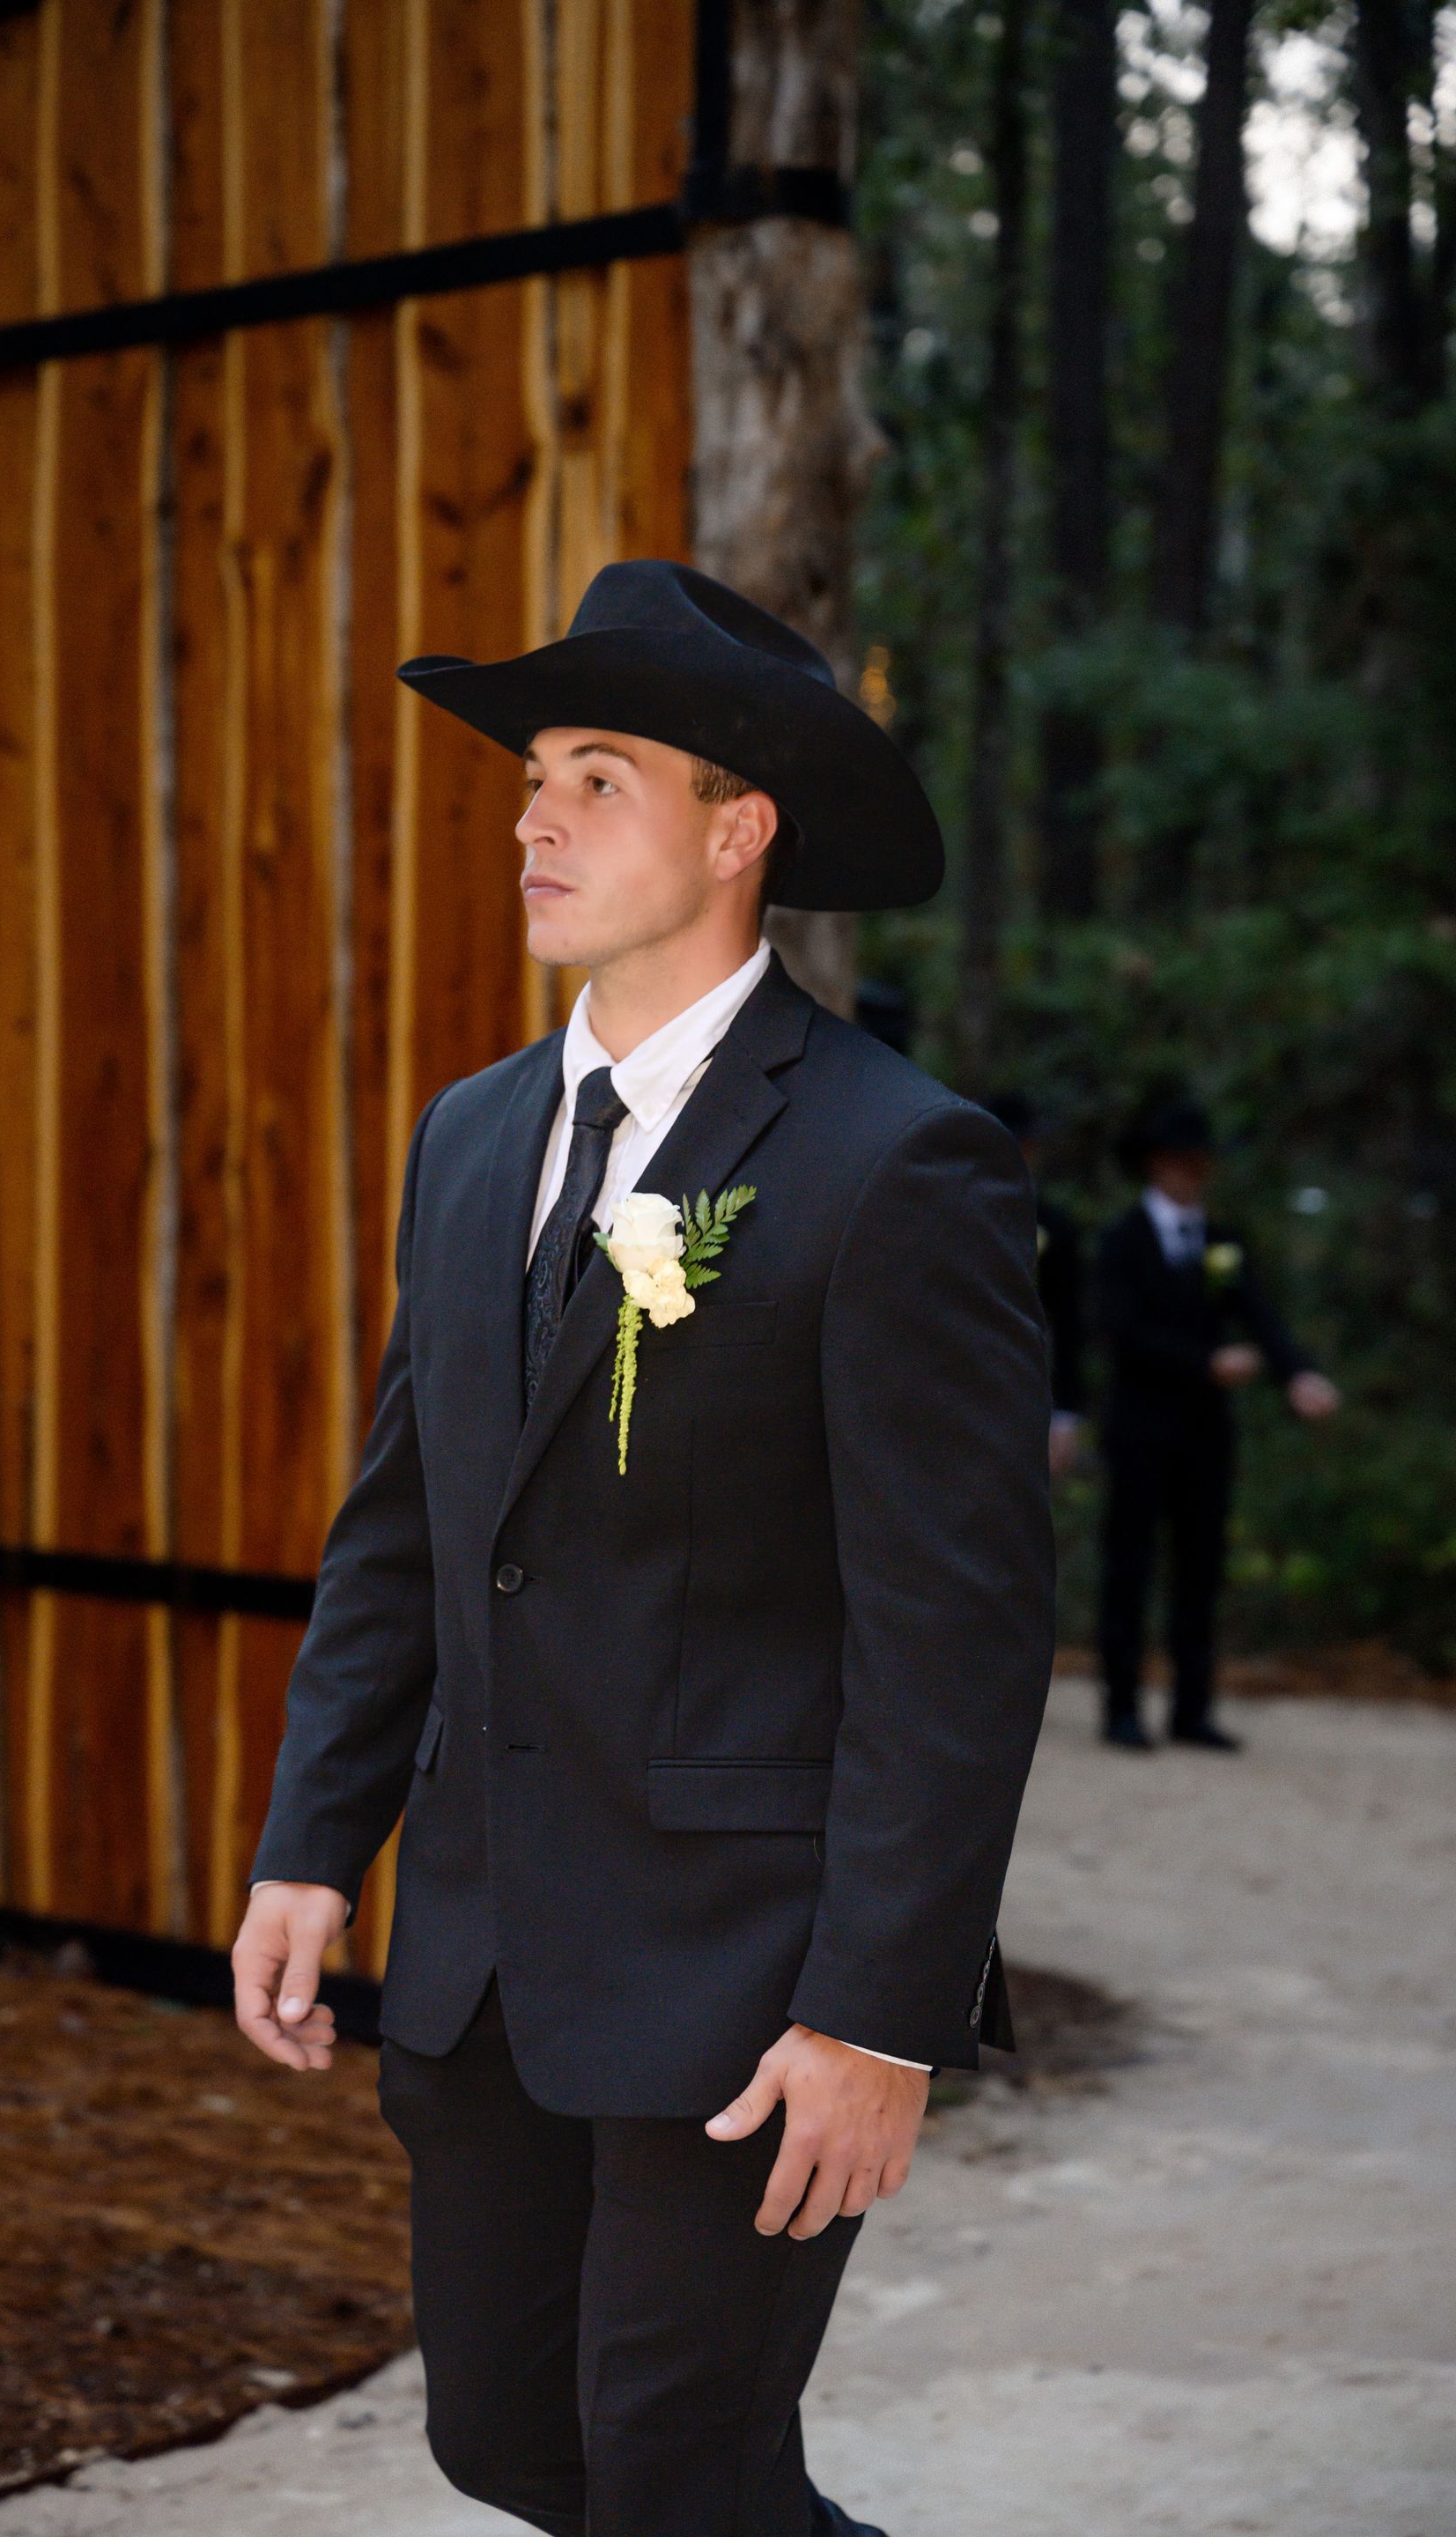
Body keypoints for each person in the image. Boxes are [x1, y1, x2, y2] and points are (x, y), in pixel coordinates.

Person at [231, 560, 1054, 2537]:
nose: (535, 820)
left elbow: (955, 1639)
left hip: (747, 1982)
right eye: (532, 779)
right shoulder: (469, 1137)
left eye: (597, 777)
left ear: (737, 828)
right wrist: (311, 1846)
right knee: (508, 2446)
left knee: (678, 2475)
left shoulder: (896, 1160)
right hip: (487, 1959)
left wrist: (880, 2015)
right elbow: (405, 1535)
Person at [1096, 1097, 1340, 1752]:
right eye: (1184, 1162)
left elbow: (1258, 1314)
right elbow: (1120, 1330)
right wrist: (1204, 1362)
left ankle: (1192, 1708)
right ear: (1156, 1165)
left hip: (1205, 1435)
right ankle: (1121, 1707)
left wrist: (1298, 1374)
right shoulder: (1122, 1239)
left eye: (1202, 1163)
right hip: (1141, 1430)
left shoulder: (1221, 1242)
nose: (1195, 1173)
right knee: (1130, 1567)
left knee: (1200, 1570)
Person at [984, 1091, 1087, 1479]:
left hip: (1029, 1394)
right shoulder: (951, 1219)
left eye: (1026, 1147)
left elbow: (1069, 1322)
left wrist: (1065, 1415)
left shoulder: (1055, 1228)